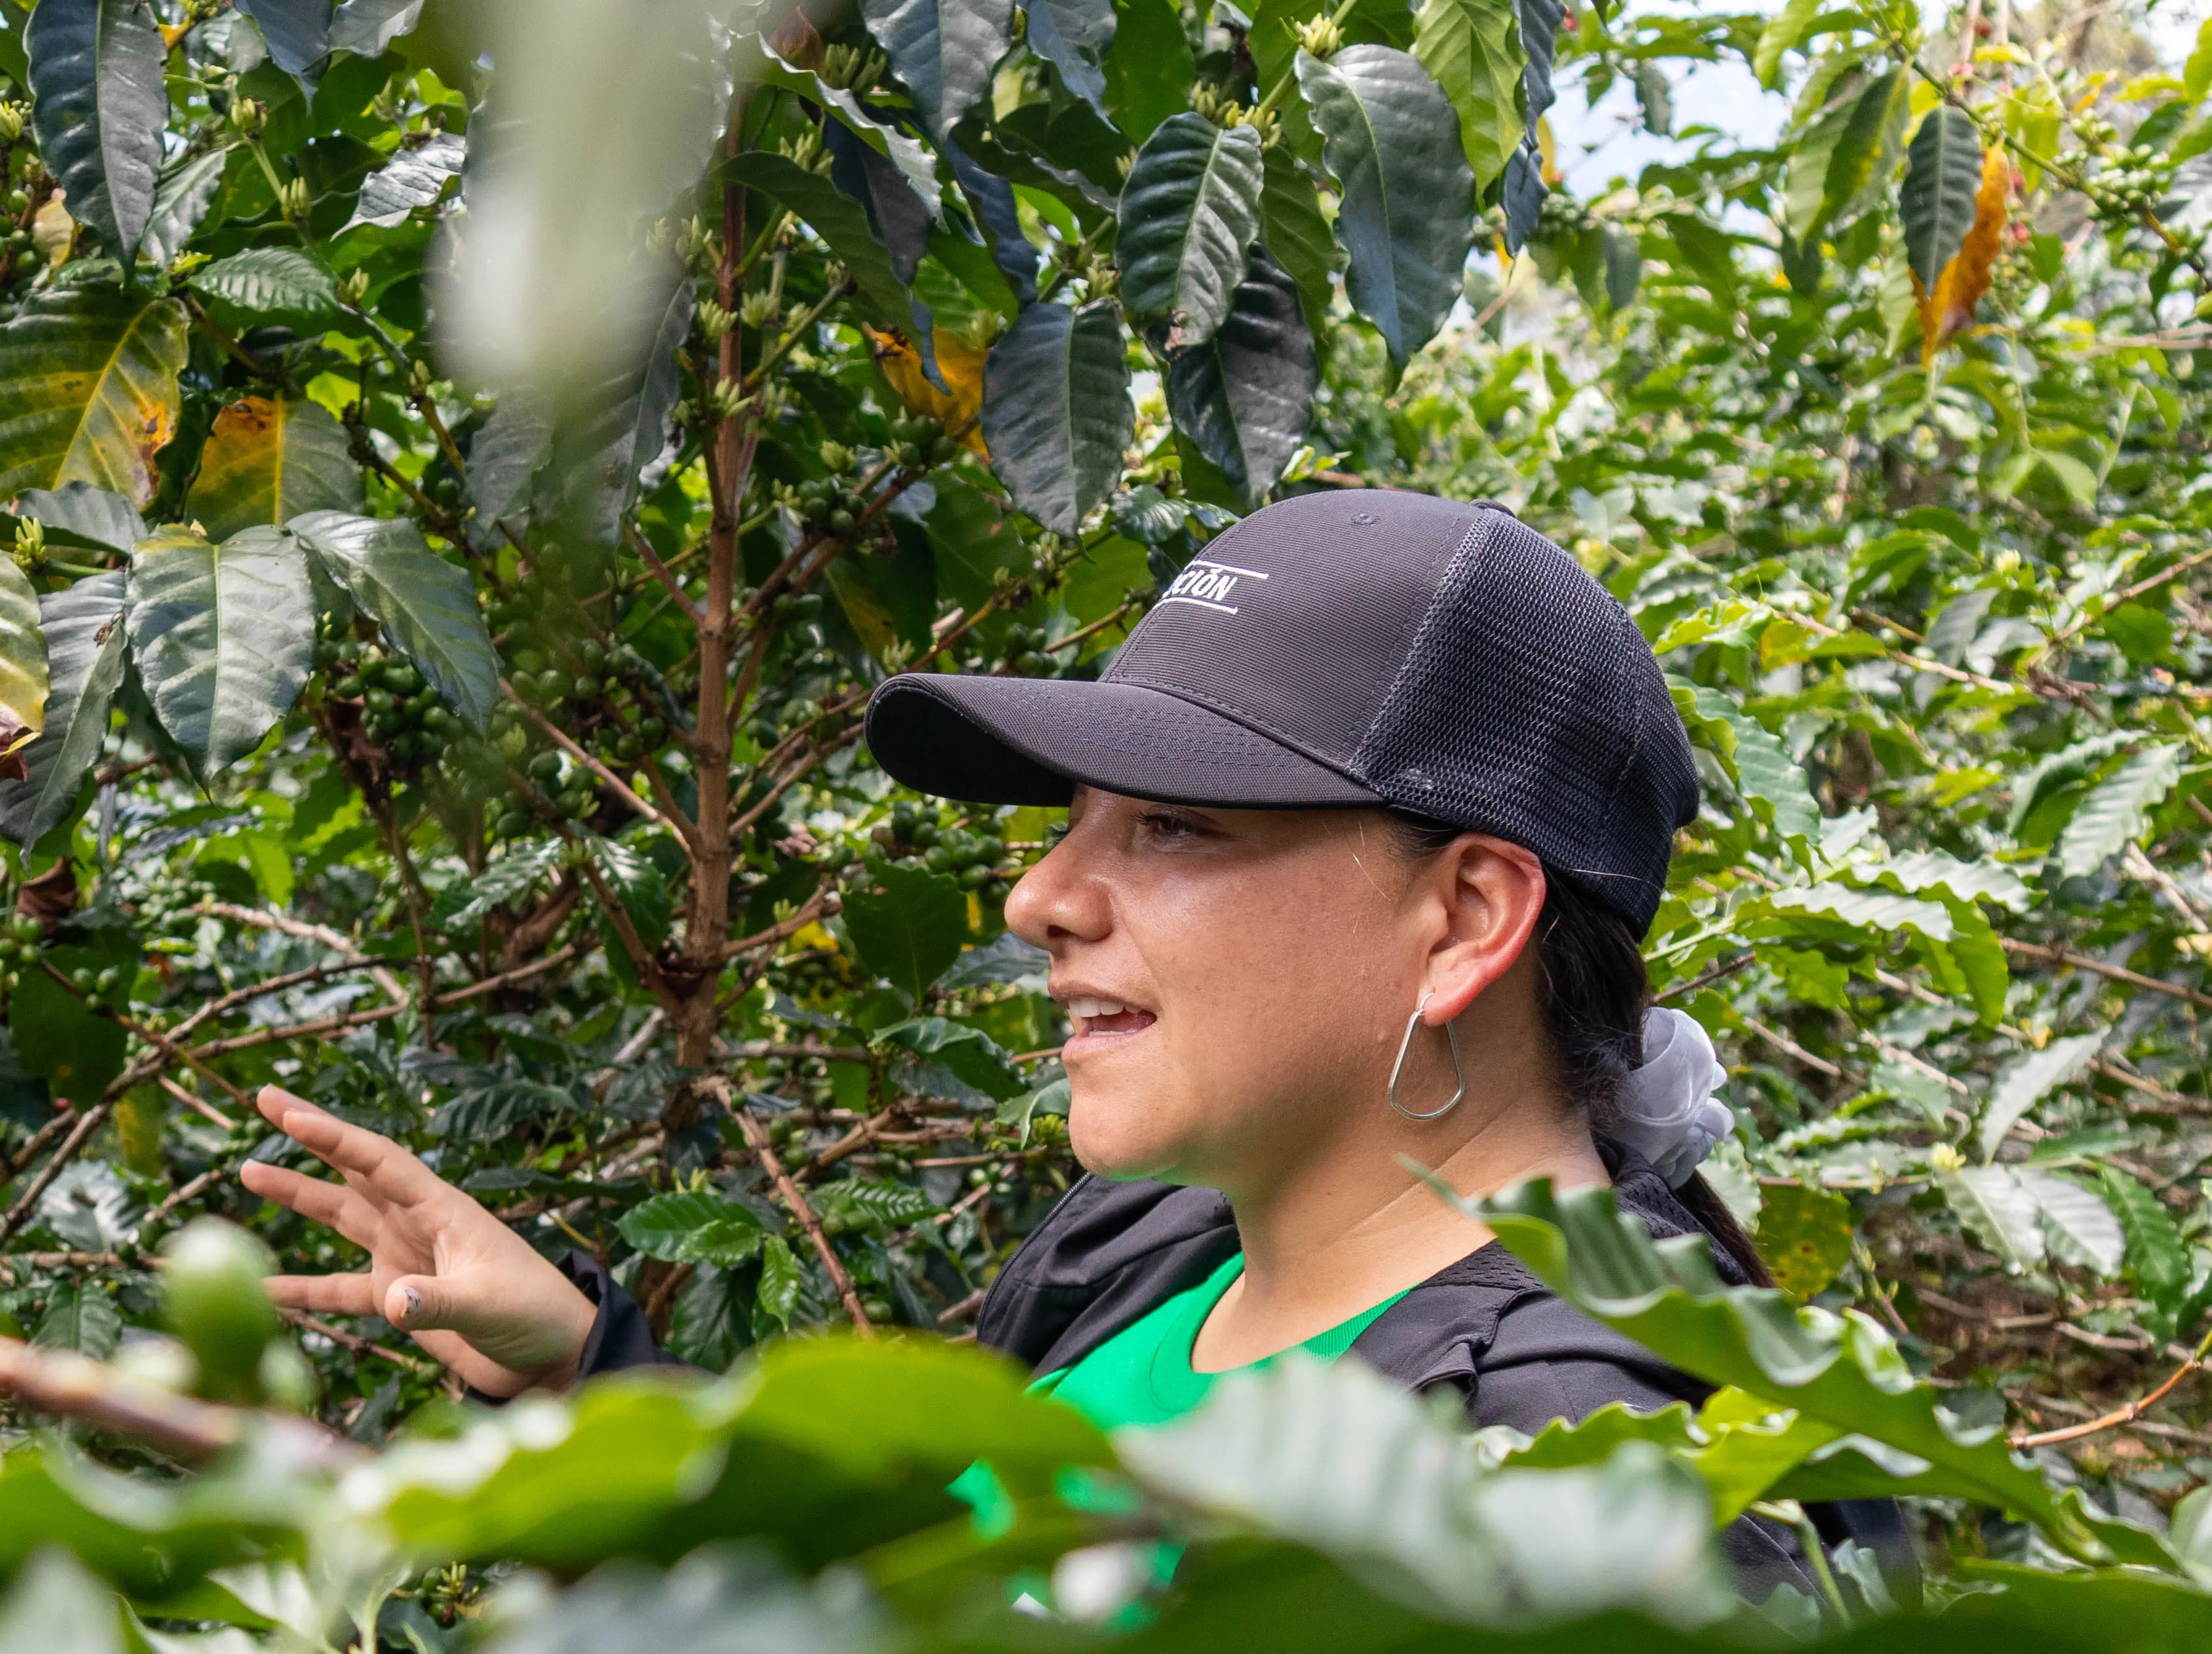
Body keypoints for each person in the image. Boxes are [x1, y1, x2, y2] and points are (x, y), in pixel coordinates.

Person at [238, 487, 1905, 1594]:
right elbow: (899, 1596)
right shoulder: (1146, 1249)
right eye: (1074, 820)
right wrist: (592, 1375)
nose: (1042, 893)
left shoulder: (1590, 1477)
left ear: (1468, 915)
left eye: (1176, 827)